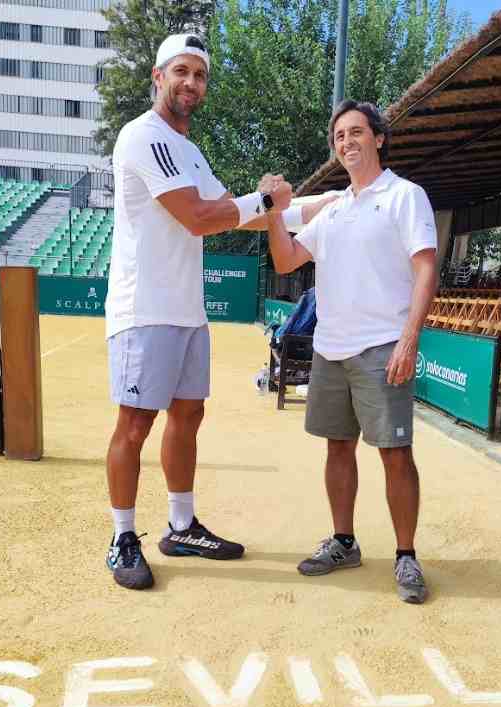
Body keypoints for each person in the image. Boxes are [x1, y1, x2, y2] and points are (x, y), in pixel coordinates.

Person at [102, 32, 333, 591]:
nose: (191, 83)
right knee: (135, 425)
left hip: (187, 311)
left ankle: (181, 527)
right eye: (181, 71)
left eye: (200, 75)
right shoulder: (143, 136)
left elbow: (242, 215)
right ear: (158, 77)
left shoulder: (189, 151)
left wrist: (321, 207)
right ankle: (122, 537)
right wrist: (268, 200)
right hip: (144, 309)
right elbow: (200, 217)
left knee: (189, 416)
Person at [266, 100, 439, 604]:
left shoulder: (406, 196)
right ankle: (344, 542)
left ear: (379, 138)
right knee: (337, 447)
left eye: (357, 132)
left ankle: (406, 555)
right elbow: (286, 259)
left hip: (382, 346)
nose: (347, 142)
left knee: (395, 453)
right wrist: (274, 212)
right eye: (340, 136)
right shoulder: (334, 208)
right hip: (330, 349)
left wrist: (409, 338)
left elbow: (426, 268)